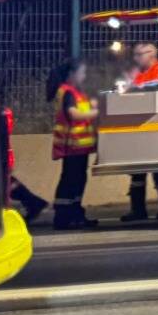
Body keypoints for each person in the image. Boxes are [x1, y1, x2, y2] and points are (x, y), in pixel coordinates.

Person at [120, 39, 158, 223]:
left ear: (152, 54)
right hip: (138, 127)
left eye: (140, 54)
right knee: (138, 172)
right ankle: (138, 209)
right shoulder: (134, 73)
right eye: (135, 54)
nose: (136, 58)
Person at [47, 58, 99, 230]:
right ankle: (63, 217)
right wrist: (95, 113)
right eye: (82, 73)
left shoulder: (76, 92)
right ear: (72, 74)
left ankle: (75, 215)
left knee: (77, 181)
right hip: (72, 145)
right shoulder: (68, 92)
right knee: (71, 181)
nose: (84, 76)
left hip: (79, 147)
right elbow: (73, 114)